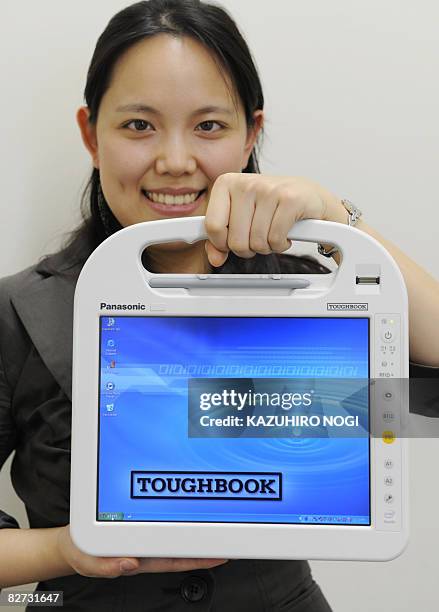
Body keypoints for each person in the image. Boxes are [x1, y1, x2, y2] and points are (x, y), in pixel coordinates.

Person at [0, 0, 438, 610]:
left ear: (251, 135)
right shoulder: (21, 310)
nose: (175, 161)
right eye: (138, 125)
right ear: (89, 133)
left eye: (209, 126)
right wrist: (64, 550)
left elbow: (408, 403)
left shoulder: (316, 290)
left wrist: (334, 215)